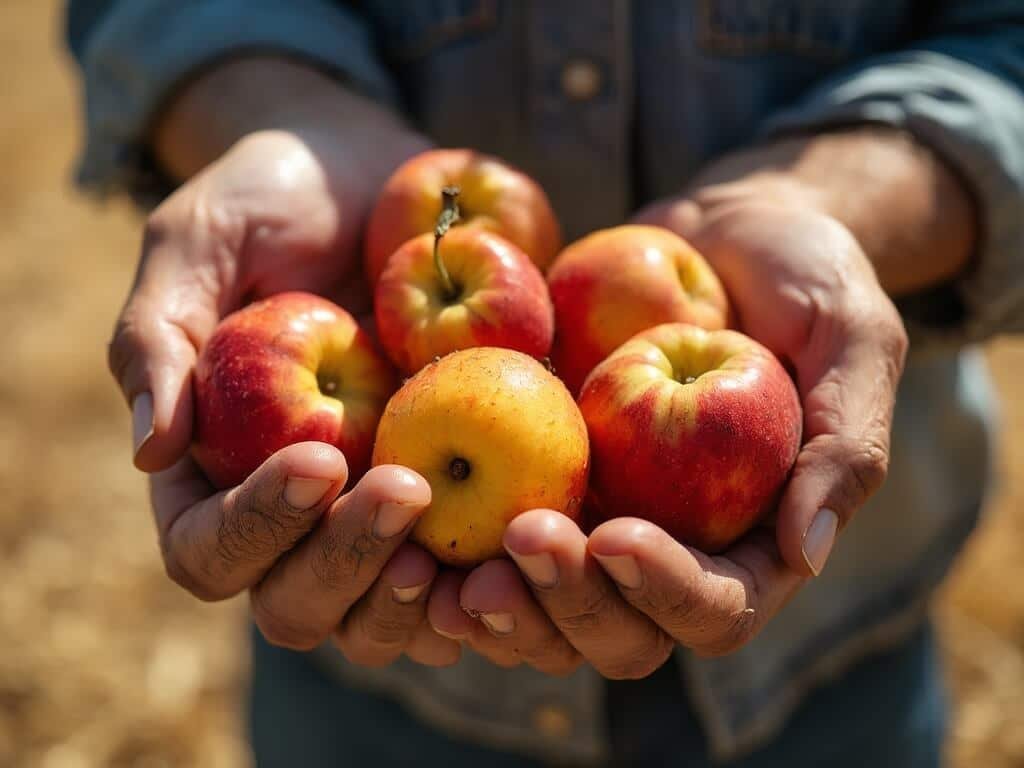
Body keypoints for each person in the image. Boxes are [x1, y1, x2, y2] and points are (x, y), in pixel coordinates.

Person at [67, 2, 1023, 766]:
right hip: (367, 693)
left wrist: (840, 206)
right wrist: (285, 121)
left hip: (834, 663)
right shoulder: (429, 315)